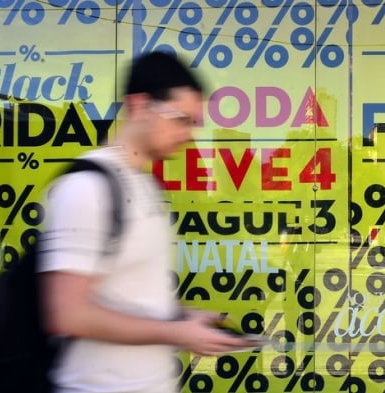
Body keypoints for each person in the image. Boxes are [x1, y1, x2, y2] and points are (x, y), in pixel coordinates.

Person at [36, 51, 254, 393]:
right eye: (181, 119)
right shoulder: (86, 188)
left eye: (194, 123)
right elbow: (69, 314)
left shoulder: (144, 184)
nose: (189, 134)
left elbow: (126, 297)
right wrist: (176, 333)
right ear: (138, 105)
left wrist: (181, 316)